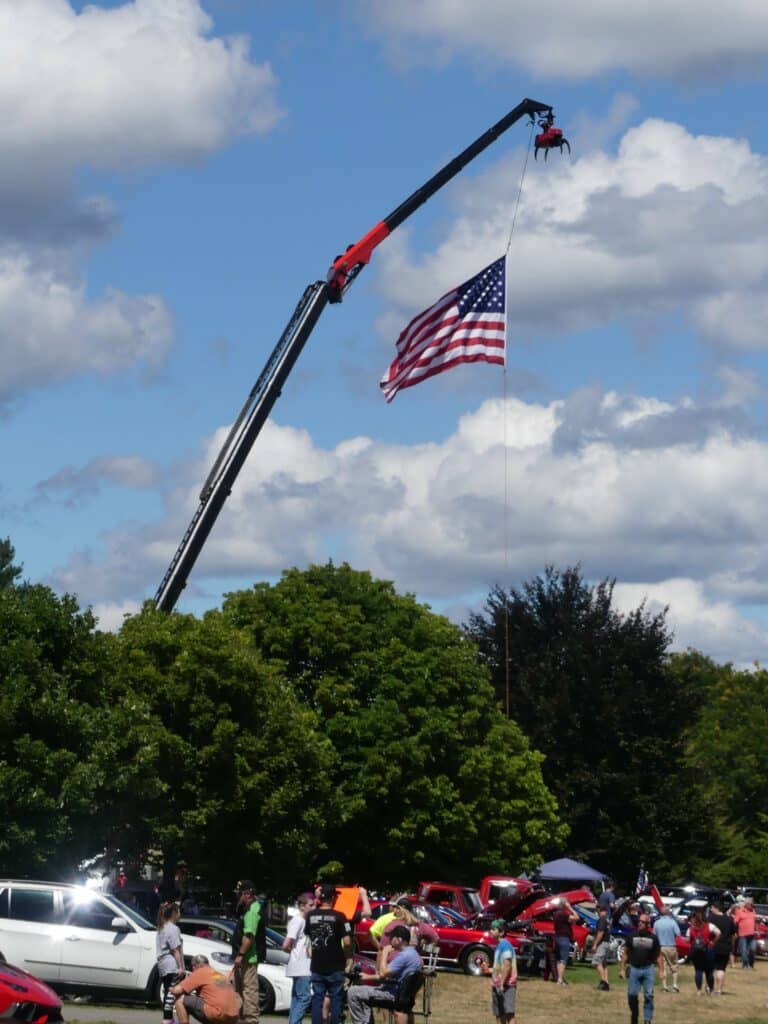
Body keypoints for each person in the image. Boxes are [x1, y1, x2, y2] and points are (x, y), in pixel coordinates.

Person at [346, 926, 421, 1024]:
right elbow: (387, 976)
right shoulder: (413, 954)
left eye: (391, 938)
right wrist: (367, 976)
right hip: (398, 992)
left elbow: (382, 973)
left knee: (353, 992)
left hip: (391, 994)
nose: (389, 941)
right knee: (360, 991)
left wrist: (384, 953)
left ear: (399, 939)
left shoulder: (404, 956)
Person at [305, 883, 352, 1024]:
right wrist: (346, 956)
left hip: (317, 964)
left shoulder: (310, 915)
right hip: (336, 964)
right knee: (336, 999)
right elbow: (348, 942)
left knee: (317, 999)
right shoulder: (340, 916)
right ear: (333, 898)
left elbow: (308, 935)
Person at [171, 954, 242, 1024]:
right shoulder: (219, 975)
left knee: (180, 1000)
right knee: (207, 1002)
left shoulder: (200, 971)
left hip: (218, 1013)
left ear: (195, 966)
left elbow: (177, 990)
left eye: (192, 968)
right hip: (233, 1017)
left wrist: (170, 988)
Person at [619, 913, 660, 1024]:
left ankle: (647, 1020)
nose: (640, 923)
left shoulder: (653, 938)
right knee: (632, 994)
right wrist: (622, 969)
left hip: (648, 969)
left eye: (642, 922)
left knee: (649, 995)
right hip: (634, 969)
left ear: (648, 924)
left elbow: (658, 956)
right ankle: (635, 1013)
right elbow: (625, 953)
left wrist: (662, 971)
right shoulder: (632, 936)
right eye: (639, 921)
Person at [282, 893, 314, 1024]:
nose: (313, 908)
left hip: (301, 966)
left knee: (297, 998)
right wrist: (294, 952)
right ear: (302, 906)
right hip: (301, 967)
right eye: (310, 905)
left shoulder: (304, 921)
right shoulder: (298, 921)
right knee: (304, 998)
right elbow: (286, 944)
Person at [232, 881, 261, 1024]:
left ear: (247, 894)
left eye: (240, 893)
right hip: (242, 959)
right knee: (239, 992)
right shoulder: (246, 909)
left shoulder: (253, 910)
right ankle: (241, 1019)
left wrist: (241, 954)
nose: (238, 896)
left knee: (249, 992)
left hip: (248, 959)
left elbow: (249, 936)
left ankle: (251, 1021)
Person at [157, 902, 185, 1024]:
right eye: (178, 911)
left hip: (163, 966)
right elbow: (175, 950)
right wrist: (181, 967)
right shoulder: (173, 929)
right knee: (171, 996)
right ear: (174, 913)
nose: (180, 913)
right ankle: (168, 1021)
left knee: (168, 994)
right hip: (171, 966)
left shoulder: (161, 928)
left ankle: (169, 1020)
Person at [488, 919, 517, 1024]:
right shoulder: (499, 946)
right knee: (499, 1013)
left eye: (493, 929)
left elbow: (507, 966)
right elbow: (500, 967)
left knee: (509, 1014)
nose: (490, 931)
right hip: (498, 984)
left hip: (507, 985)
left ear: (501, 932)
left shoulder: (505, 946)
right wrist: (489, 970)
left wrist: (502, 984)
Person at [687, 907, 719, 995]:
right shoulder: (710, 925)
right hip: (708, 949)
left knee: (698, 970)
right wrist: (713, 942)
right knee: (709, 971)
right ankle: (711, 990)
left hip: (696, 951)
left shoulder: (690, 928)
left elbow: (688, 939)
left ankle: (699, 990)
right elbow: (719, 933)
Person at [708, 898, 735, 995]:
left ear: (716, 908)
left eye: (711, 908)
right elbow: (733, 934)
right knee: (721, 969)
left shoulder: (710, 918)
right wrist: (732, 946)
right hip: (725, 947)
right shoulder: (729, 919)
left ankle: (709, 987)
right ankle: (719, 990)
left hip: (712, 946)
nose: (711, 910)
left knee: (710, 968)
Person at [652, 907, 680, 993]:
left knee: (662, 967)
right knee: (674, 966)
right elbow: (678, 933)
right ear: (668, 913)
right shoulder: (672, 922)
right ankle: (674, 985)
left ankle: (664, 986)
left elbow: (654, 935)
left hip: (660, 947)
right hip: (671, 946)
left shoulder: (656, 923)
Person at [552, 898, 579, 985]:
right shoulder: (563, 914)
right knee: (563, 959)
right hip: (564, 938)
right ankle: (560, 979)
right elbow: (577, 917)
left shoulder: (556, 913)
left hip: (557, 937)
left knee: (559, 959)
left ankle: (559, 978)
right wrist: (570, 908)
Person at [591, 907, 613, 991]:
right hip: (607, 943)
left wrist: (595, 944)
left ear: (599, 910)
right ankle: (606, 982)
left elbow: (601, 932)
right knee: (604, 964)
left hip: (602, 943)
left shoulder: (601, 920)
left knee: (596, 962)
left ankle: (604, 982)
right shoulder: (607, 921)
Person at [732, 896, 757, 968]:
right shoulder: (740, 912)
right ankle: (745, 965)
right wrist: (735, 932)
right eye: (751, 904)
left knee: (753, 949)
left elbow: (755, 922)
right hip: (743, 935)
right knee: (744, 950)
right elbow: (735, 922)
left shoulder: (753, 911)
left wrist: (757, 930)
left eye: (752, 904)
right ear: (746, 904)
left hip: (752, 934)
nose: (752, 905)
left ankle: (751, 963)